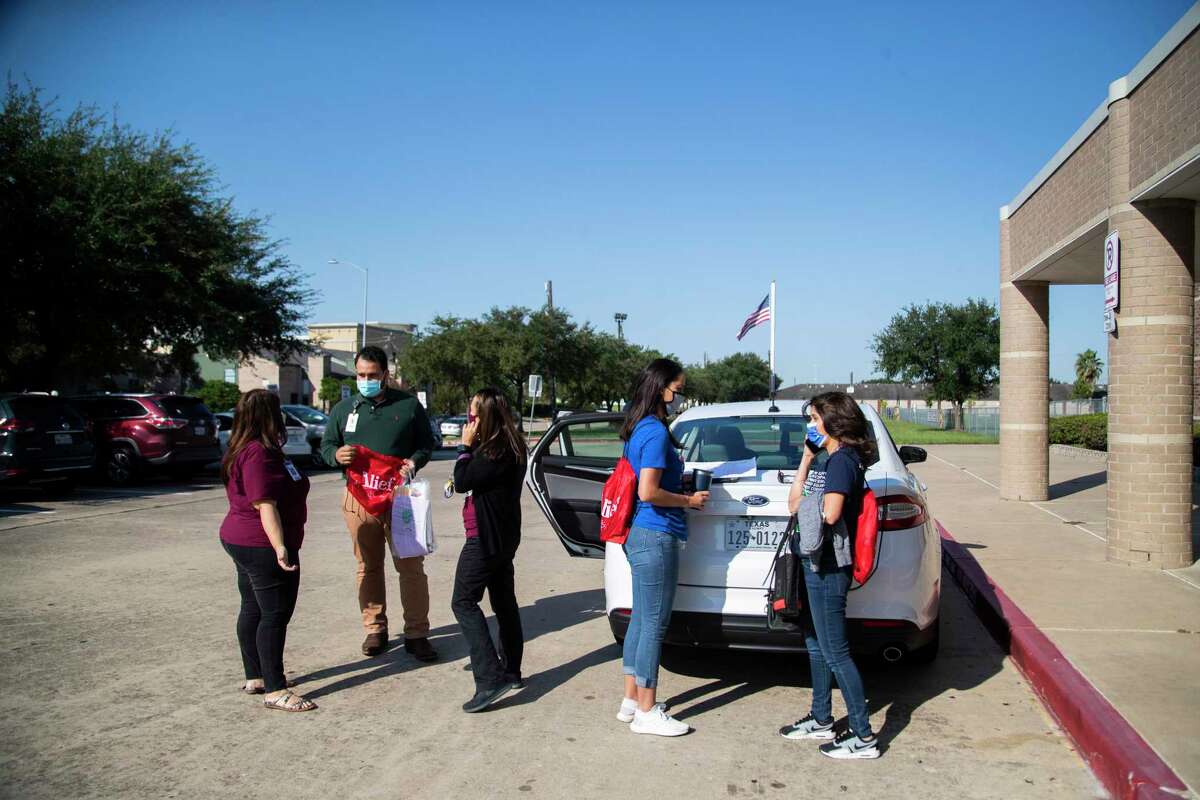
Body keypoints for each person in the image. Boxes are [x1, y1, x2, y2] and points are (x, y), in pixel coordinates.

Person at [320, 346, 439, 660]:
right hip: (358, 499)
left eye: (373, 375)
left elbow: (427, 445)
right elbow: (326, 446)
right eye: (361, 375)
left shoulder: (409, 406)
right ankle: (375, 628)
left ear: (386, 374)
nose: (366, 380)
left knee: (411, 568)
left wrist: (414, 461)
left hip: (401, 499)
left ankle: (417, 633)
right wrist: (335, 455)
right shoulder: (343, 409)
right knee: (368, 567)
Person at [780, 391, 880, 759]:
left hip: (830, 565)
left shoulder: (842, 462)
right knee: (814, 642)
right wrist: (806, 457)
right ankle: (821, 717)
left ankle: (863, 736)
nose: (810, 425)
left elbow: (832, 512)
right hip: (813, 561)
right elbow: (795, 500)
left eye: (815, 419)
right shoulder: (825, 460)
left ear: (833, 421)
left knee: (836, 652)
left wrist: (804, 504)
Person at [617, 358, 708, 737]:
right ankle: (647, 711)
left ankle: (630, 701)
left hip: (642, 535)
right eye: (678, 389)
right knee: (654, 624)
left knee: (641, 620)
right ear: (661, 388)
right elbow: (648, 491)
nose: (679, 397)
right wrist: (688, 501)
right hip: (656, 534)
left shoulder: (641, 429)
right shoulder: (654, 433)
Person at [219, 389, 315, 712]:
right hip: (260, 544)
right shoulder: (257, 453)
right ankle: (275, 689)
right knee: (274, 613)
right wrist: (280, 548)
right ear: (268, 415)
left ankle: (256, 675)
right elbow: (265, 505)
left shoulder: (250, 448)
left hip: (241, 538)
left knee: (253, 607)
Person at [450, 388, 527, 713]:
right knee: (503, 602)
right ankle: (510, 671)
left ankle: (490, 676)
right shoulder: (510, 445)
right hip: (502, 537)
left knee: (463, 602)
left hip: (485, 539)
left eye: (474, 414)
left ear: (487, 416)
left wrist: (464, 448)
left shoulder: (495, 451)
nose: (469, 420)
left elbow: (462, 480)